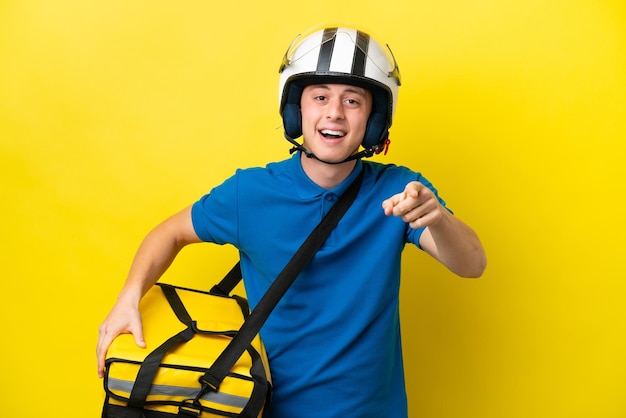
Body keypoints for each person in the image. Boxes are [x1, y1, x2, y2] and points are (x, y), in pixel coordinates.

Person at [97, 25, 486, 417]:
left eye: (353, 101)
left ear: (373, 120)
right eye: (320, 97)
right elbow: (171, 232)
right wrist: (129, 296)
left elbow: (473, 265)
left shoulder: (403, 192)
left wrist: (437, 219)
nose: (334, 112)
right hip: (271, 408)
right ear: (296, 110)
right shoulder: (248, 193)